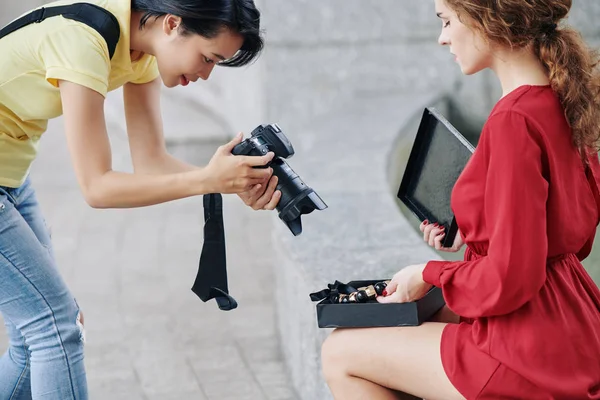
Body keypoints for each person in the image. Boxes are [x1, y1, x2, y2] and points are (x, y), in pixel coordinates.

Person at [0, 0, 280, 398]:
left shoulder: (140, 50)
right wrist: (207, 179)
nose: (205, 74)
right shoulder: (84, 37)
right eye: (207, 57)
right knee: (55, 328)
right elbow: (97, 187)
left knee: (39, 336)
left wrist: (232, 182)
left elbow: (151, 163)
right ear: (172, 24)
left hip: (11, 176)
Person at [321, 0, 600, 398]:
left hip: (527, 352)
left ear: (486, 19)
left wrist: (426, 272)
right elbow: (575, 236)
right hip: (573, 326)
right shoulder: (561, 99)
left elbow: (511, 279)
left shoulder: (512, 122)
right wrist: (477, 235)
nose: (442, 37)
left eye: (447, 21)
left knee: (339, 352)